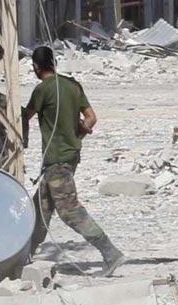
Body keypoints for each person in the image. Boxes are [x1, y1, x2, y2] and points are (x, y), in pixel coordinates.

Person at [21, 44, 124, 276]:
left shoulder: (42, 90)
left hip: (57, 159)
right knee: (41, 209)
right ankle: (23, 257)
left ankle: (110, 253)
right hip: (68, 156)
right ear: (54, 63)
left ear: (36, 67)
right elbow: (91, 118)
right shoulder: (72, 86)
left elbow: (25, 116)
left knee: (69, 211)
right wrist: (77, 134)